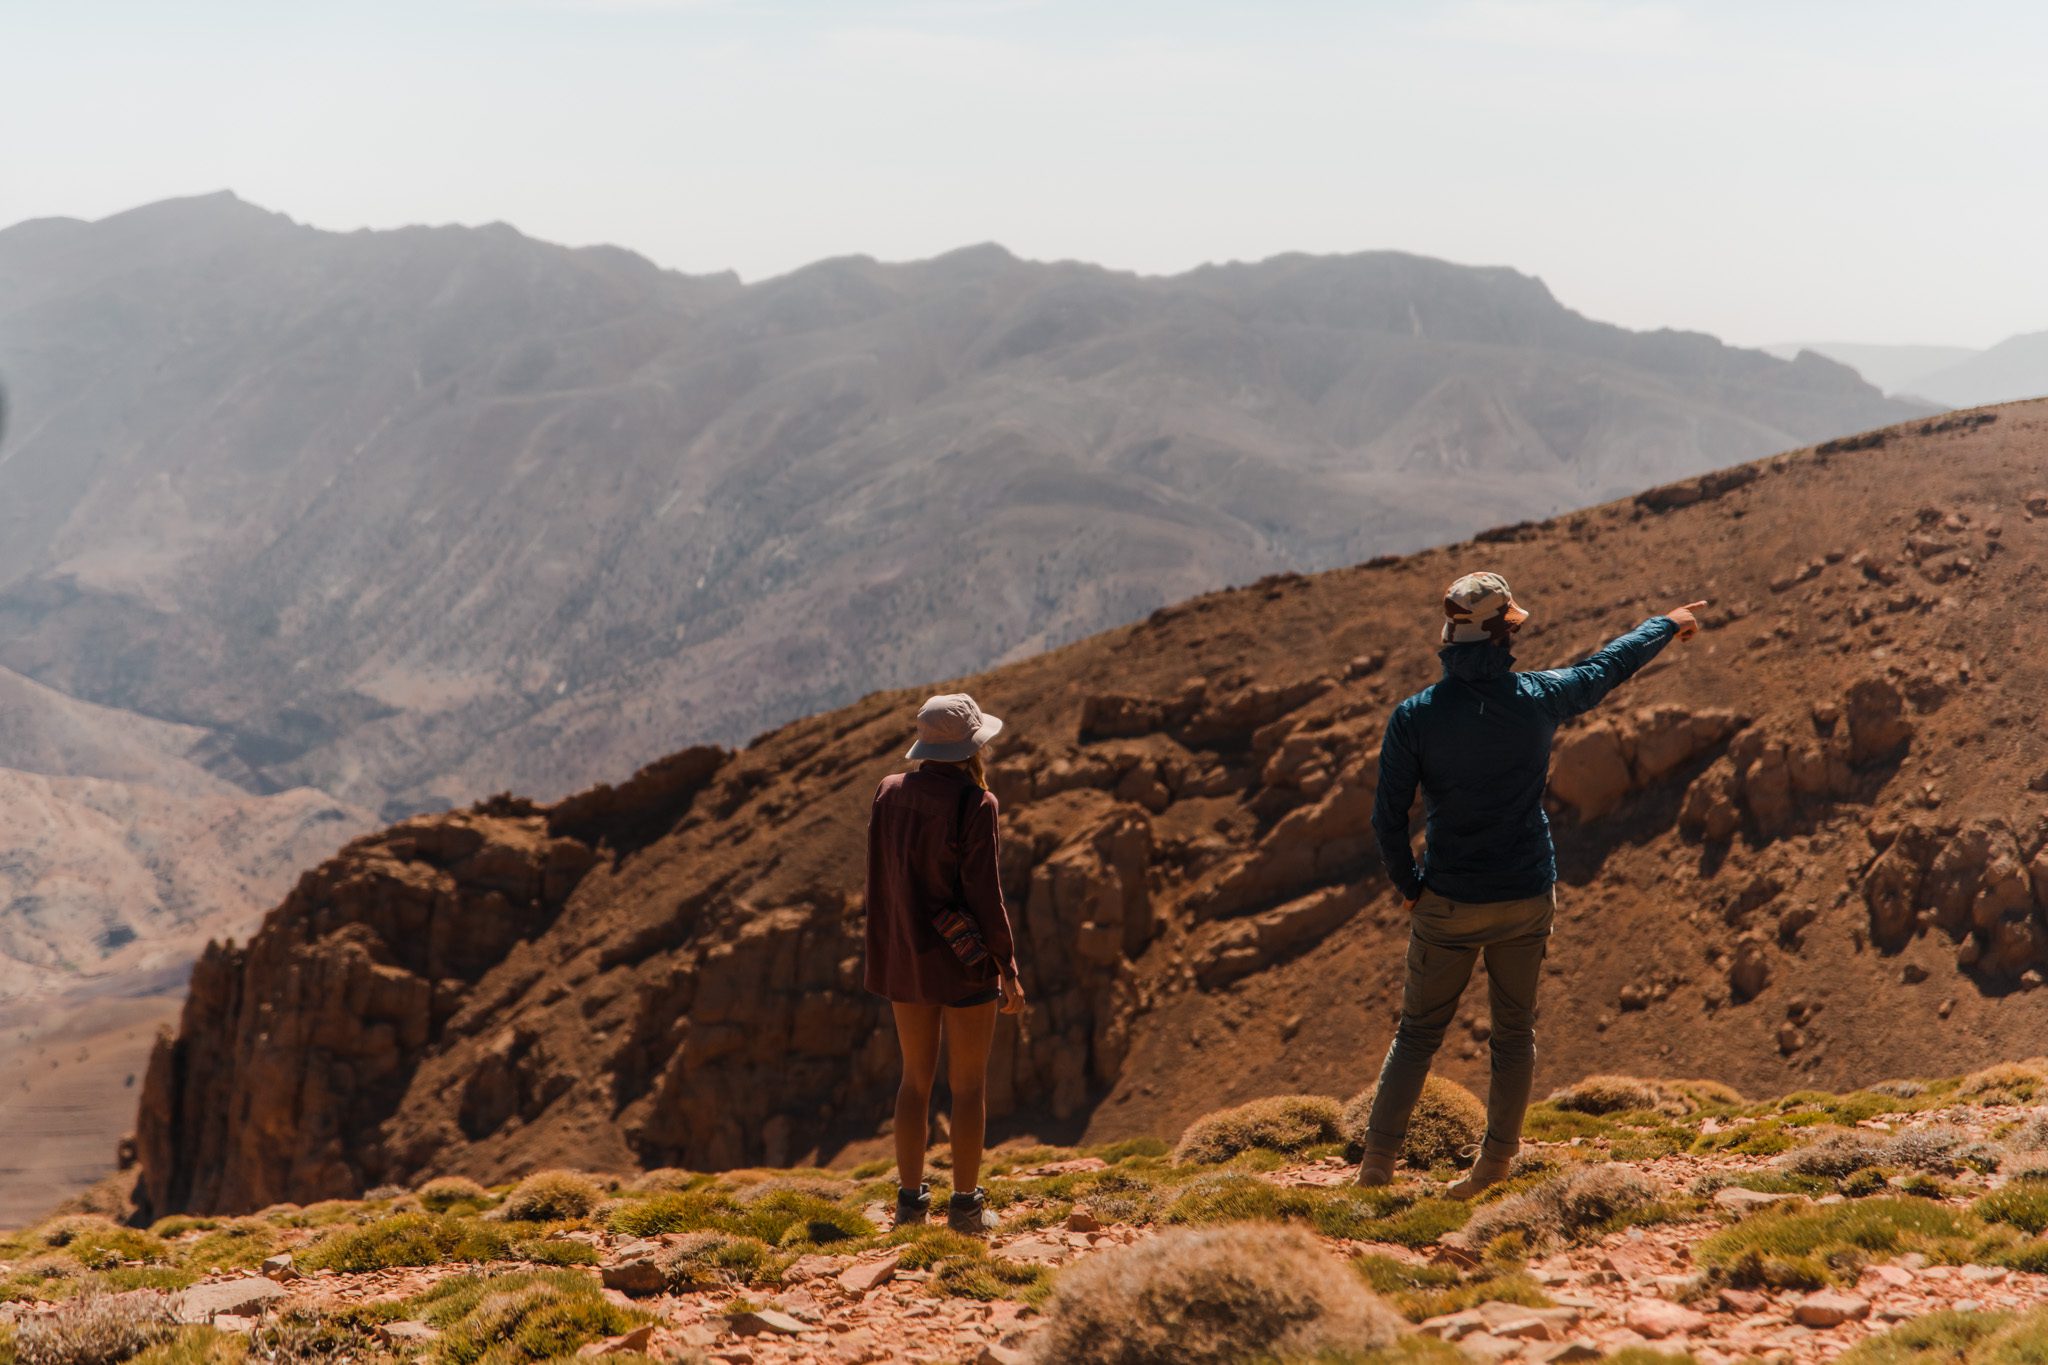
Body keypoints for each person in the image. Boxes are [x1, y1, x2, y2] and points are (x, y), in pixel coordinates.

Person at [1359, 573, 1706, 1196]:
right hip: (1524, 896)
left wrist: (1409, 885)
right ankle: (1492, 1168)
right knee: (1513, 1032)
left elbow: (1387, 816)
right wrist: (1665, 622)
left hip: (1448, 900)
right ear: (1505, 632)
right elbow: (1607, 666)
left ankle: (1376, 1168)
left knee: (1416, 1035)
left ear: (1449, 634)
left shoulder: (1414, 718)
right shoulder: (1540, 696)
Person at [864, 692, 1028, 1234]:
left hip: (906, 961)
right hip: (963, 963)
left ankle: (909, 1206)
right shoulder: (976, 804)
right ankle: (966, 1209)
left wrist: (889, 949)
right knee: (969, 1086)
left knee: (914, 1082)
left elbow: (881, 881)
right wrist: (1007, 967)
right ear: (972, 746)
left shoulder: (888, 793)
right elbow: (987, 894)